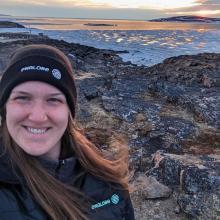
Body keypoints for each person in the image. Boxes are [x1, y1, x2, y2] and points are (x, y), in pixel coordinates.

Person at [0, 44, 134, 220]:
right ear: (5, 108)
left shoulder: (108, 179)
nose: (38, 117)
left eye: (53, 100)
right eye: (23, 98)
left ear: (69, 112)